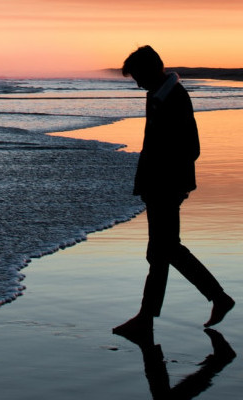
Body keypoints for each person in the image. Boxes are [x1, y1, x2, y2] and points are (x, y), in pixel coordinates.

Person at [113, 46, 234, 336]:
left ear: (153, 69)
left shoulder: (173, 98)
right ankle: (147, 317)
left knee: (166, 249)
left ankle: (217, 297)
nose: (138, 83)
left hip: (166, 186)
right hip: (159, 184)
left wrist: (165, 181)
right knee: (160, 252)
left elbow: (190, 147)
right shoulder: (159, 95)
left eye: (138, 76)